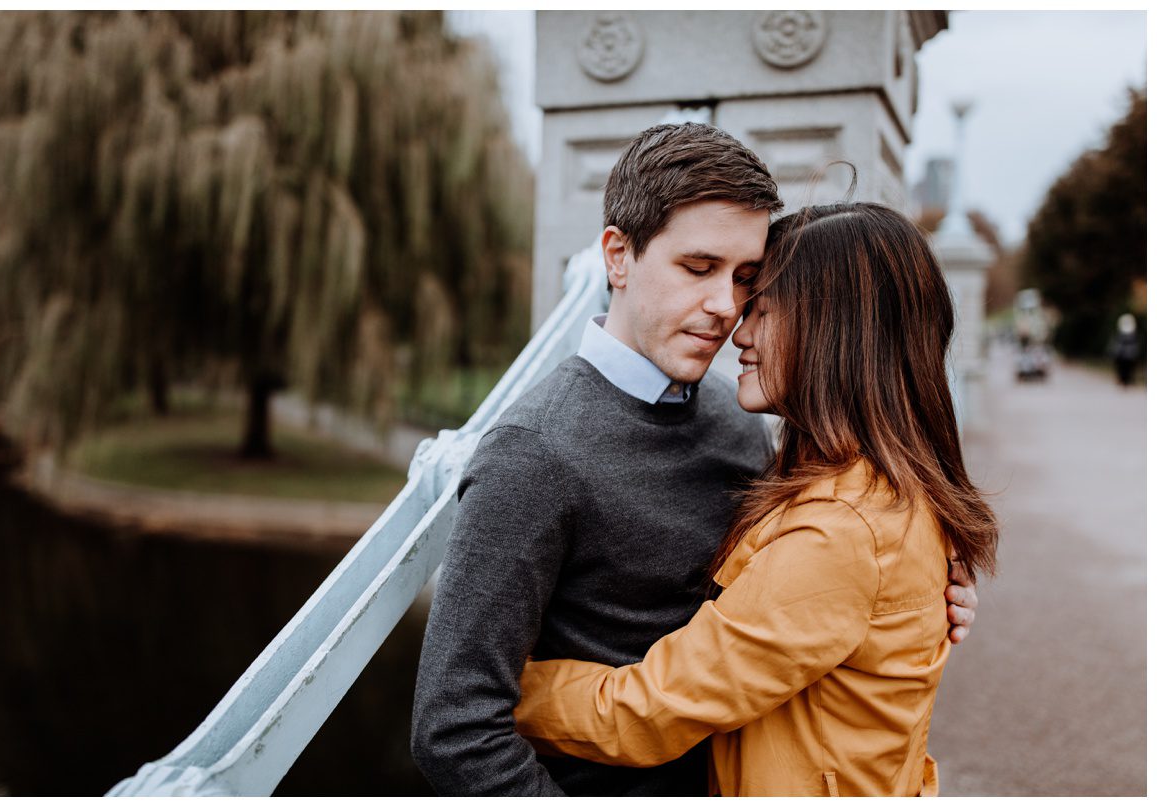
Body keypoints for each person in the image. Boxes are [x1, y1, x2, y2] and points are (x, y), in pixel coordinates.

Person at [410, 124, 979, 796]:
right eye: (698, 267)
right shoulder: (536, 452)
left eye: (746, 280)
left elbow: (805, 593)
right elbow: (457, 723)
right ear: (617, 257)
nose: (728, 310)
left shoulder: (741, 419)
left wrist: (908, 605)